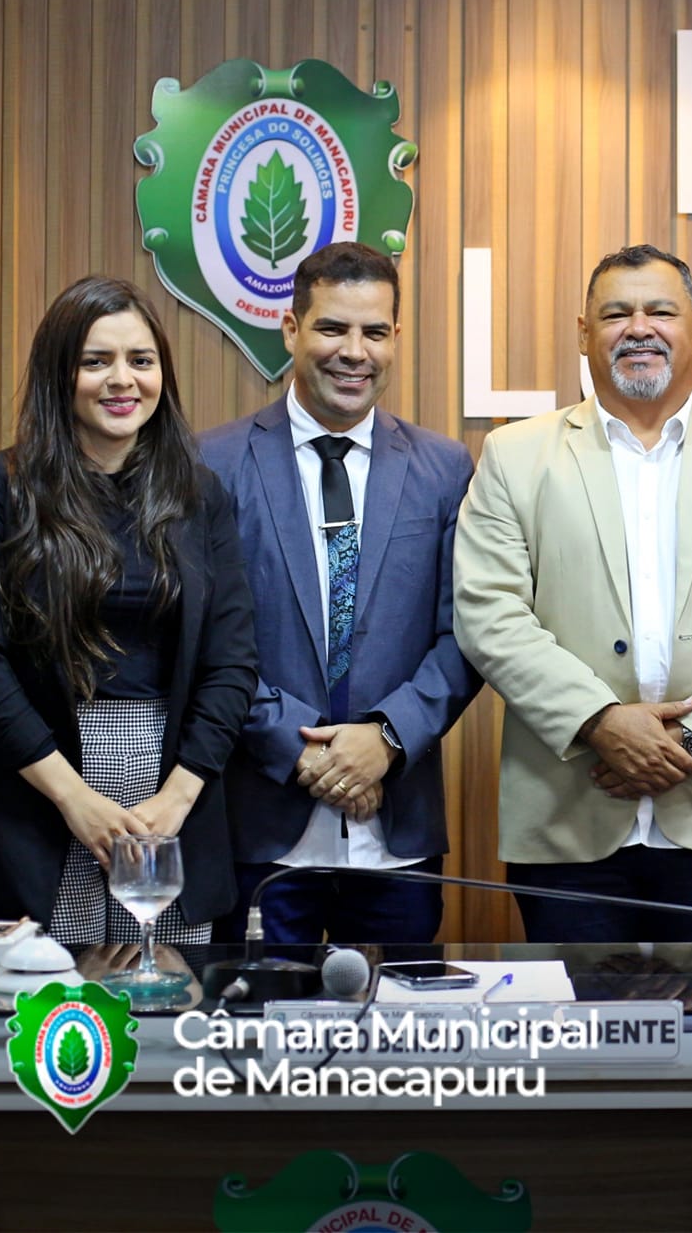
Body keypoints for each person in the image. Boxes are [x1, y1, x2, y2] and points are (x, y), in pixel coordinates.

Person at [453, 244, 692, 941]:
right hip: (568, 817)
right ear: (583, 333)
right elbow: (489, 613)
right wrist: (601, 722)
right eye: (615, 313)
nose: (638, 327)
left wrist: (686, 739)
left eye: (661, 310)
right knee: (578, 1045)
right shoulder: (515, 453)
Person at [0, 276, 257, 942]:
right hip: (34, 784)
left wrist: (177, 799)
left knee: (163, 1013)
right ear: (60, 373)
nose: (122, 380)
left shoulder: (200, 495)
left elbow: (234, 660)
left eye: (141, 360)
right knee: (34, 1019)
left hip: (172, 781)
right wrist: (74, 797)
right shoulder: (0, 486)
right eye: (95, 360)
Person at [202, 242, 482, 945]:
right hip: (260, 831)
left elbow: (469, 633)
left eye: (374, 332)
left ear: (395, 339)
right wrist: (304, 752)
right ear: (292, 329)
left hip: (397, 832)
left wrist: (385, 738)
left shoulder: (444, 467)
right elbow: (202, 635)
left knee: (398, 1046)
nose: (353, 351)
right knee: (258, 1043)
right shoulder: (212, 462)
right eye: (332, 328)